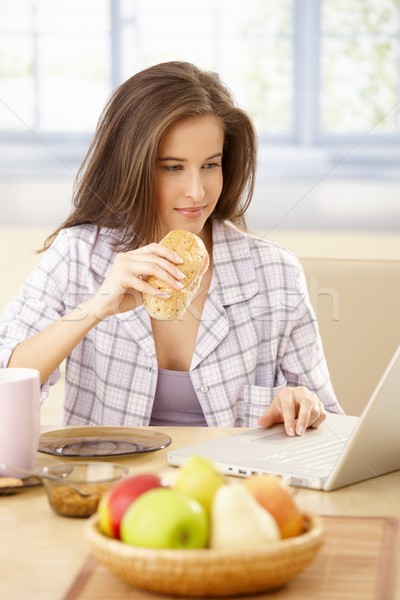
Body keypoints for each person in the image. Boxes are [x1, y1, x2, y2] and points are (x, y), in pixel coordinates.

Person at [0, 61, 343, 432]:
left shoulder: (275, 270)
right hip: (112, 483)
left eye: (210, 165)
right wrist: (97, 307)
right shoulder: (79, 253)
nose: (197, 192)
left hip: (232, 486)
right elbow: (7, 384)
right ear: (132, 166)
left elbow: (329, 423)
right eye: (172, 167)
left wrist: (301, 405)